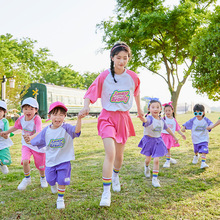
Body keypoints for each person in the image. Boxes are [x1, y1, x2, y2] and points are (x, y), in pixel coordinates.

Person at [79, 42, 144, 207]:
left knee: (119, 157)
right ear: (112, 58)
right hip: (107, 117)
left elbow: (136, 94)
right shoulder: (104, 76)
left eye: (125, 58)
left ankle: (115, 175)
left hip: (123, 118)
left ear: (128, 58)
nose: (121, 61)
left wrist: (140, 110)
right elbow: (90, 92)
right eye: (118, 58)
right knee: (110, 153)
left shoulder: (133, 77)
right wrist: (86, 106)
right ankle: (106, 192)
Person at [30, 101, 84, 209]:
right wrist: (29, 140)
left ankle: (60, 199)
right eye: (55, 114)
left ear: (65, 116)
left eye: (61, 114)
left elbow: (77, 130)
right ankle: (52, 185)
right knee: (50, 179)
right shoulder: (46, 131)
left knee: (62, 180)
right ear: (49, 116)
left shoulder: (67, 128)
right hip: (50, 162)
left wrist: (79, 119)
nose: (58, 117)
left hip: (64, 161)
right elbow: (36, 141)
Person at [0, 97, 48, 190]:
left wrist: (30, 137)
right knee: (25, 161)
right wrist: (6, 132)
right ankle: (27, 178)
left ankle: (43, 178)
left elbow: (39, 131)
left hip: (38, 145)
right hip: (26, 145)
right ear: (22, 109)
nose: (28, 111)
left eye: (31, 108)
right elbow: (15, 127)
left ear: (36, 110)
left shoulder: (36, 119)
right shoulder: (21, 119)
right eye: (25, 109)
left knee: (40, 166)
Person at [138, 98, 178, 187]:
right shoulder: (149, 118)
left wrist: (174, 136)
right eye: (153, 107)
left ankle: (155, 179)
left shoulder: (161, 120)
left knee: (156, 160)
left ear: (160, 109)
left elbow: (167, 128)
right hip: (149, 141)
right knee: (148, 160)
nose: (155, 109)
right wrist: (142, 118)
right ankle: (146, 167)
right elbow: (145, 121)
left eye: (157, 107)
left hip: (158, 141)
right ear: (149, 109)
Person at [181, 104, 213, 169]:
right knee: (196, 150)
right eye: (196, 113)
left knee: (204, 150)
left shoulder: (206, 120)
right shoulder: (193, 120)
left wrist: (210, 126)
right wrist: (184, 127)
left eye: (200, 113)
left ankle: (203, 163)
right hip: (195, 139)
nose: (198, 115)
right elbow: (187, 123)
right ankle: (196, 156)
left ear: (203, 112)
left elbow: (211, 124)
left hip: (204, 139)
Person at [161, 102, 186, 168]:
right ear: (164, 111)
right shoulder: (163, 119)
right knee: (163, 149)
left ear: (172, 111)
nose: (168, 112)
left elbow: (177, 129)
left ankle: (167, 161)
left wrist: (182, 134)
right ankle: (169, 158)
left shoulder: (174, 120)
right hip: (163, 136)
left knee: (168, 149)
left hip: (170, 137)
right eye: (166, 111)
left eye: (169, 110)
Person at [0, 100, 13, 174]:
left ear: (4, 112)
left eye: (0, 111)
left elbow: (7, 132)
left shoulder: (5, 121)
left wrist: (6, 135)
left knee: (7, 160)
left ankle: (2, 164)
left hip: (3, 143)